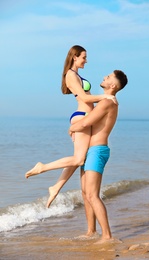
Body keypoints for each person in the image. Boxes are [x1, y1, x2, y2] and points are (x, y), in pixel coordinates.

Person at [25, 45, 116, 200]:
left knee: (78, 157)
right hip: (81, 116)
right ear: (75, 57)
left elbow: (87, 96)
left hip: (86, 116)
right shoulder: (70, 75)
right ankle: (43, 167)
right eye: (83, 57)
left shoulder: (76, 74)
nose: (86, 61)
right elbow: (85, 98)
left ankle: (56, 187)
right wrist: (105, 97)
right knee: (79, 159)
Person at [69, 69, 128, 243]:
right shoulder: (105, 101)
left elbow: (86, 122)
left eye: (108, 77)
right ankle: (90, 231)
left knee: (93, 195)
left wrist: (72, 128)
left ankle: (107, 235)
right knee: (86, 193)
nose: (104, 77)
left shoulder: (107, 103)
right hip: (90, 150)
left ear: (112, 85)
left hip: (97, 151)